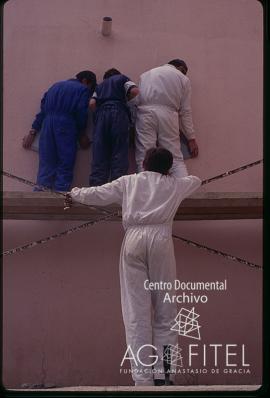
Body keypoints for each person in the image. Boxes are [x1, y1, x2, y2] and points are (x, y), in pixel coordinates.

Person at [65, 147, 201, 386]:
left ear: (144, 164)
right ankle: (165, 376)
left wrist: (74, 194)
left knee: (136, 314)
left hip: (134, 240)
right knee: (166, 312)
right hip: (161, 240)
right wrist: (172, 173)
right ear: (168, 168)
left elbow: (98, 193)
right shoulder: (175, 185)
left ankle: (142, 380)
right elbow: (195, 180)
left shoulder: (129, 181)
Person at [23, 70, 97, 191]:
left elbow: (42, 112)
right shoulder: (82, 90)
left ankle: (40, 195)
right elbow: (81, 113)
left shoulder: (54, 87)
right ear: (85, 81)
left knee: (46, 163)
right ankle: (60, 195)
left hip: (47, 125)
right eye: (90, 87)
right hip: (65, 124)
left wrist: (33, 132)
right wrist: (82, 134)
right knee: (65, 162)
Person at [135, 59, 199, 177]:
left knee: (144, 157)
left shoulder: (145, 75)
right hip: (169, 114)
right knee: (174, 158)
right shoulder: (183, 78)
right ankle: (181, 191)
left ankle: (147, 192)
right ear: (180, 68)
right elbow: (185, 111)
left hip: (144, 113)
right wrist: (191, 138)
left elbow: (136, 99)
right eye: (184, 71)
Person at [89, 68, 139, 186]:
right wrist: (127, 102)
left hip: (101, 114)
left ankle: (96, 188)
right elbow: (135, 91)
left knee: (99, 153)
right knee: (119, 151)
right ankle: (117, 187)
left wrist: (98, 116)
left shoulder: (100, 86)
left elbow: (92, 103)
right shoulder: (123, 79)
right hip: (119, 112)